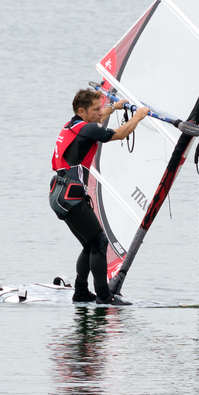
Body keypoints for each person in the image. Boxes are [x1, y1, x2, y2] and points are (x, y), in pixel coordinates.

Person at [50, 88, 149, 305]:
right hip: (71, 196)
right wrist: (138, 116)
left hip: (58, 195)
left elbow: (98, 119)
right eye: (96, 109)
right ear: (82, 112)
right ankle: (104, 296)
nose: (99, 112)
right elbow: (121, 134)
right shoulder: (89, 128)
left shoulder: (73, 125)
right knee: (100, 241)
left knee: (90, 243)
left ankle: (81, 292)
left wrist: (114, 107)